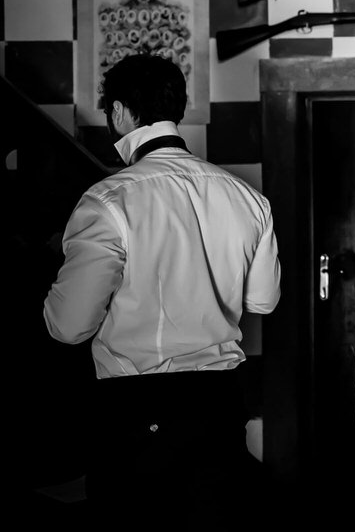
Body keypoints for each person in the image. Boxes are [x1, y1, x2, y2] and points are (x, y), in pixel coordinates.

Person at [43, 53, 281, 529]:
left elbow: (68, 327)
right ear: (179, 107)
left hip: (138, 411)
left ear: (119, 112)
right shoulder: (247, 197)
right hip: (219, 406)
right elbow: (263, 300)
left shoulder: (107, 201)